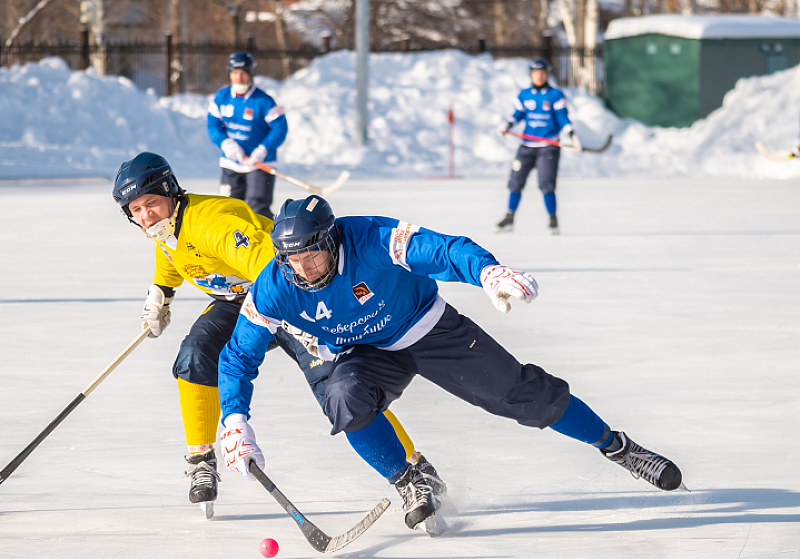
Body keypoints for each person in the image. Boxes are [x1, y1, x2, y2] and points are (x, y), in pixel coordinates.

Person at [217, 195, 684, 533]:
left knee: (523, 396)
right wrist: (234, 419)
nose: (305, 269)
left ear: (332, 239)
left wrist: (487, 271)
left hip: (428, 329)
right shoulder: (274, 286)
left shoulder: (372, 237)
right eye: (293, 260)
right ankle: (410, 481)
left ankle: (618, 447)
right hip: (364, 352)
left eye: (313, 255)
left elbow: (442, 249)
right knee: (342, 397)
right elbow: (239, 355)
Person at [112, 152, 442, 515]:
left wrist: (303, 322)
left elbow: (270, 270)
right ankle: (201, 461)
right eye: (136, 210)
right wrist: (160, 293)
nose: (146, 215)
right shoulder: (166, 228)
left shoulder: (215, 225)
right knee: (195, 354)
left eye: (151, 203)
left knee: (336, 389)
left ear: (171, 193)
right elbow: (172, 255)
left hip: (289, 298)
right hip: (237, 303)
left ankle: (413, 471)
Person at [496, 58, 578, 235]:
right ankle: (509, 217)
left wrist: (572, 134)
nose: (539, 76)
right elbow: (518, 114)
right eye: (535, 73)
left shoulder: (555, 95)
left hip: (548, 147)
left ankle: (553, 220)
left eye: (542, 73)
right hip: (526, 146)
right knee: (515, 182)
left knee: (546, 184)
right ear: (531, 75)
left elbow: (562, 117)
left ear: (547, 74)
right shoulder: (524, 95)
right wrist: (507, 124)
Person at [207, 51, 287, 219]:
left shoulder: (264, 101)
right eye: (235, 73)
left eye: (243, 73)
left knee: (258, 211)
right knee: (229, 210)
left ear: (251, 73)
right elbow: (213, 126)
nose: (239, 77)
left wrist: (263, 149)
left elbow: (280, 128)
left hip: (259, 165)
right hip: (231, 163)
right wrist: (225, 143)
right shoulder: (221, 97)